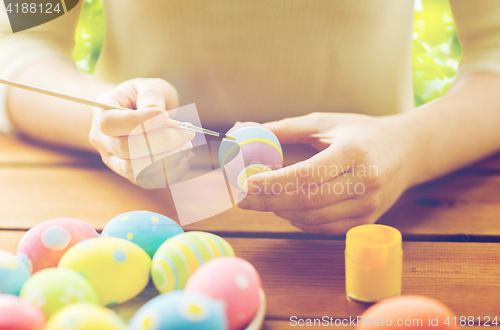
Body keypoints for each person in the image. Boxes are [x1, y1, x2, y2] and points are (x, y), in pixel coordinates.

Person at [0, 1, 499, 235]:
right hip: (136, 218)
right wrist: (102, 114)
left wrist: (411, 145)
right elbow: (21, 40)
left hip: (375, 217)